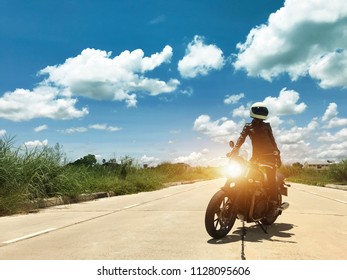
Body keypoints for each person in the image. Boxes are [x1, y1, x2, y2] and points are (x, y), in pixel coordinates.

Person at [229, 102, 281, 216]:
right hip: (256, 157)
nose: (260, 115)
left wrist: (278, 155)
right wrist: (235, 150)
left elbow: (273, 141)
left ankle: (273, 205)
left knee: (271, 180)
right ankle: (246, 201)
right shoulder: (248, 126)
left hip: (270, 156)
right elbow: (241, 139)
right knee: (245, 177)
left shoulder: (267, 126)